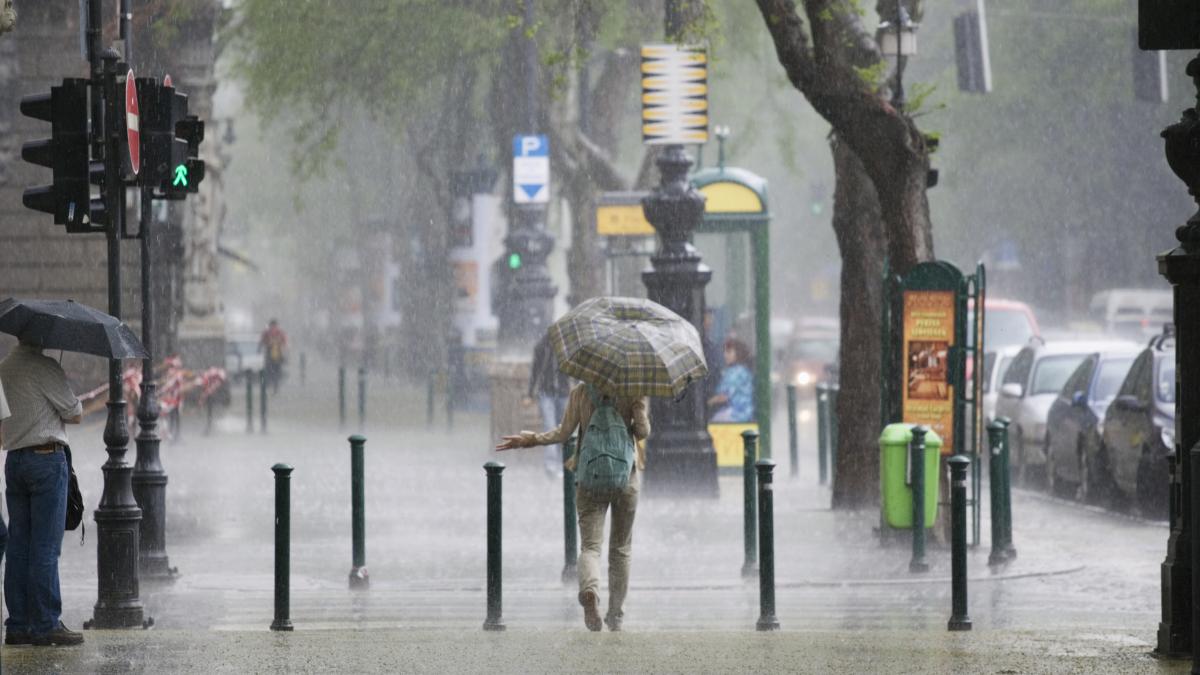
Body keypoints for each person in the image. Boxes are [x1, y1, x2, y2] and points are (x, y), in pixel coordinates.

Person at [495, 383, 650, 632]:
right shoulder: (633, 388)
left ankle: (590, 590)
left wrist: (530, 440)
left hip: (590, 478)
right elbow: (642, 431)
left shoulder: (582, 391)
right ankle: (615, 616)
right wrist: (636, 409)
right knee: (620, 549)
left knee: (590, 546)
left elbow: (564, 433)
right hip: (625, 479)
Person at [0, 339, 84, 646]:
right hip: (46, 459)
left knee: (19, 544)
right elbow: (75, 414)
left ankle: (18, 624)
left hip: (15, 461)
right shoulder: (46, 367)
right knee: (46, 547)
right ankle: (47, 623)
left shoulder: (4, 368)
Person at [527, 334, 571, 479]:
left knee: (562, 428)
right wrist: (530, 392)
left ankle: (560, 463)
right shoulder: (542, 346)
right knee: (550, 427)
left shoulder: (568, 348)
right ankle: (551, 465)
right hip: (546, 393)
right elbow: (535, 370)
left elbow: (574, 370)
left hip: (563, 393)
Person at [709, 337, 754, 423]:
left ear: (738, 353)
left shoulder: (736, 373)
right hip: (743, 413)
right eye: (724, 352)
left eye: (729, 352)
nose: (725, 355)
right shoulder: (741, 371)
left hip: (736, 415)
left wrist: (708, 403)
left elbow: (724, 396)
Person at [259, 319, 288, 394]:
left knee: (270, 372)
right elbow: (284, 343)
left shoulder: (268, 333)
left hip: (272, 356)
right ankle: (274, 386)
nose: (273, 328)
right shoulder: (279, 333)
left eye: (273, 326)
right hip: (276, 356)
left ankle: (270, 385)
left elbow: (262, 342)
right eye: (273, 326)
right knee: (276, 372)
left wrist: (267, 343)